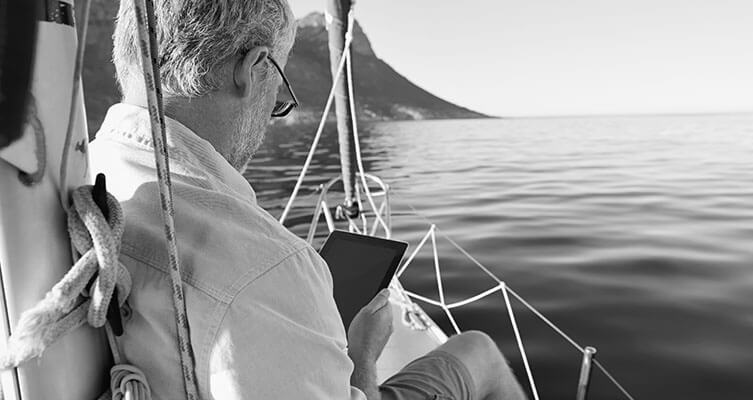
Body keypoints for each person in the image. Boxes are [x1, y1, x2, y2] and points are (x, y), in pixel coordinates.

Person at [90, 0, 527, 399]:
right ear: (254, 66)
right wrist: (362, 356)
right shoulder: (266, 274)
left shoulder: (86, 178)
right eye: (279, 82)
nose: (274, 107)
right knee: (480, 351)